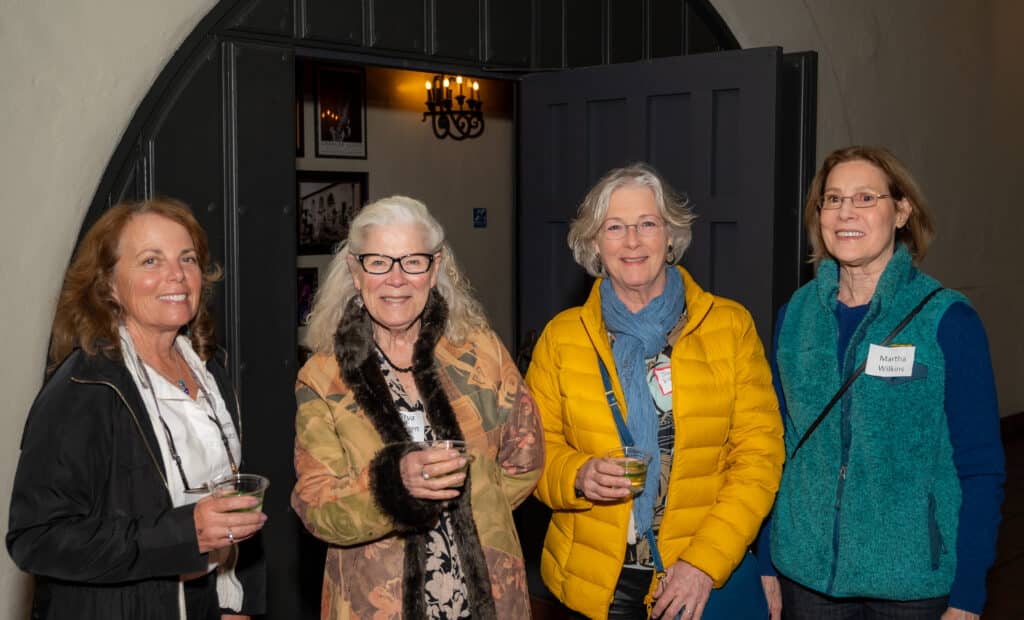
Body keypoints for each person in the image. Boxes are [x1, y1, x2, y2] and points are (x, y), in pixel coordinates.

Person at [526, 163, 785, 619]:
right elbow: (533, 450)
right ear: (593, 243)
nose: (632, 241)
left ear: (671, 236)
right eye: (615, 227)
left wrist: (703, 563)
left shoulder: (729, 327)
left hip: (695, 580)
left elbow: (759, 457)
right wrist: (578, 475)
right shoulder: (561, 337)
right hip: (592, 581)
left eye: (647, 224)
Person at [757, 146, 1006, 620]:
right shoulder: (797, 316)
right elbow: (776, 445)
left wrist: (968, 596)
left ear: (901, 211)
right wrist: (766, 556)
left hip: (912, 585)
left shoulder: (947, 319)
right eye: (832, 199)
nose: (846, 212)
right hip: (805, 576)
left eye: (865, 198)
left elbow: (981, 468)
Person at [7, 198, 267, 619]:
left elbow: (234, 505)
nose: (177, 275)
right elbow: (36, 538)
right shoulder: (84, 386)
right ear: (109, 285)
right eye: (150, 260)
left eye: (188, 258)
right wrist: (185, 533)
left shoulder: (208, 370)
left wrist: (237, 601)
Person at [292, 195, 544, 619]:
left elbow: (526, 457)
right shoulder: (322, 377)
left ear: (435, 267)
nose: (396, 279)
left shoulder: (480, 352)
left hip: (489, 598)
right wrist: (393, 488)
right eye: (379, 262)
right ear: (355, 272)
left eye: (412, 261)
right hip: (375, 602)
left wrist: (474, 508)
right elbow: (316, 506)